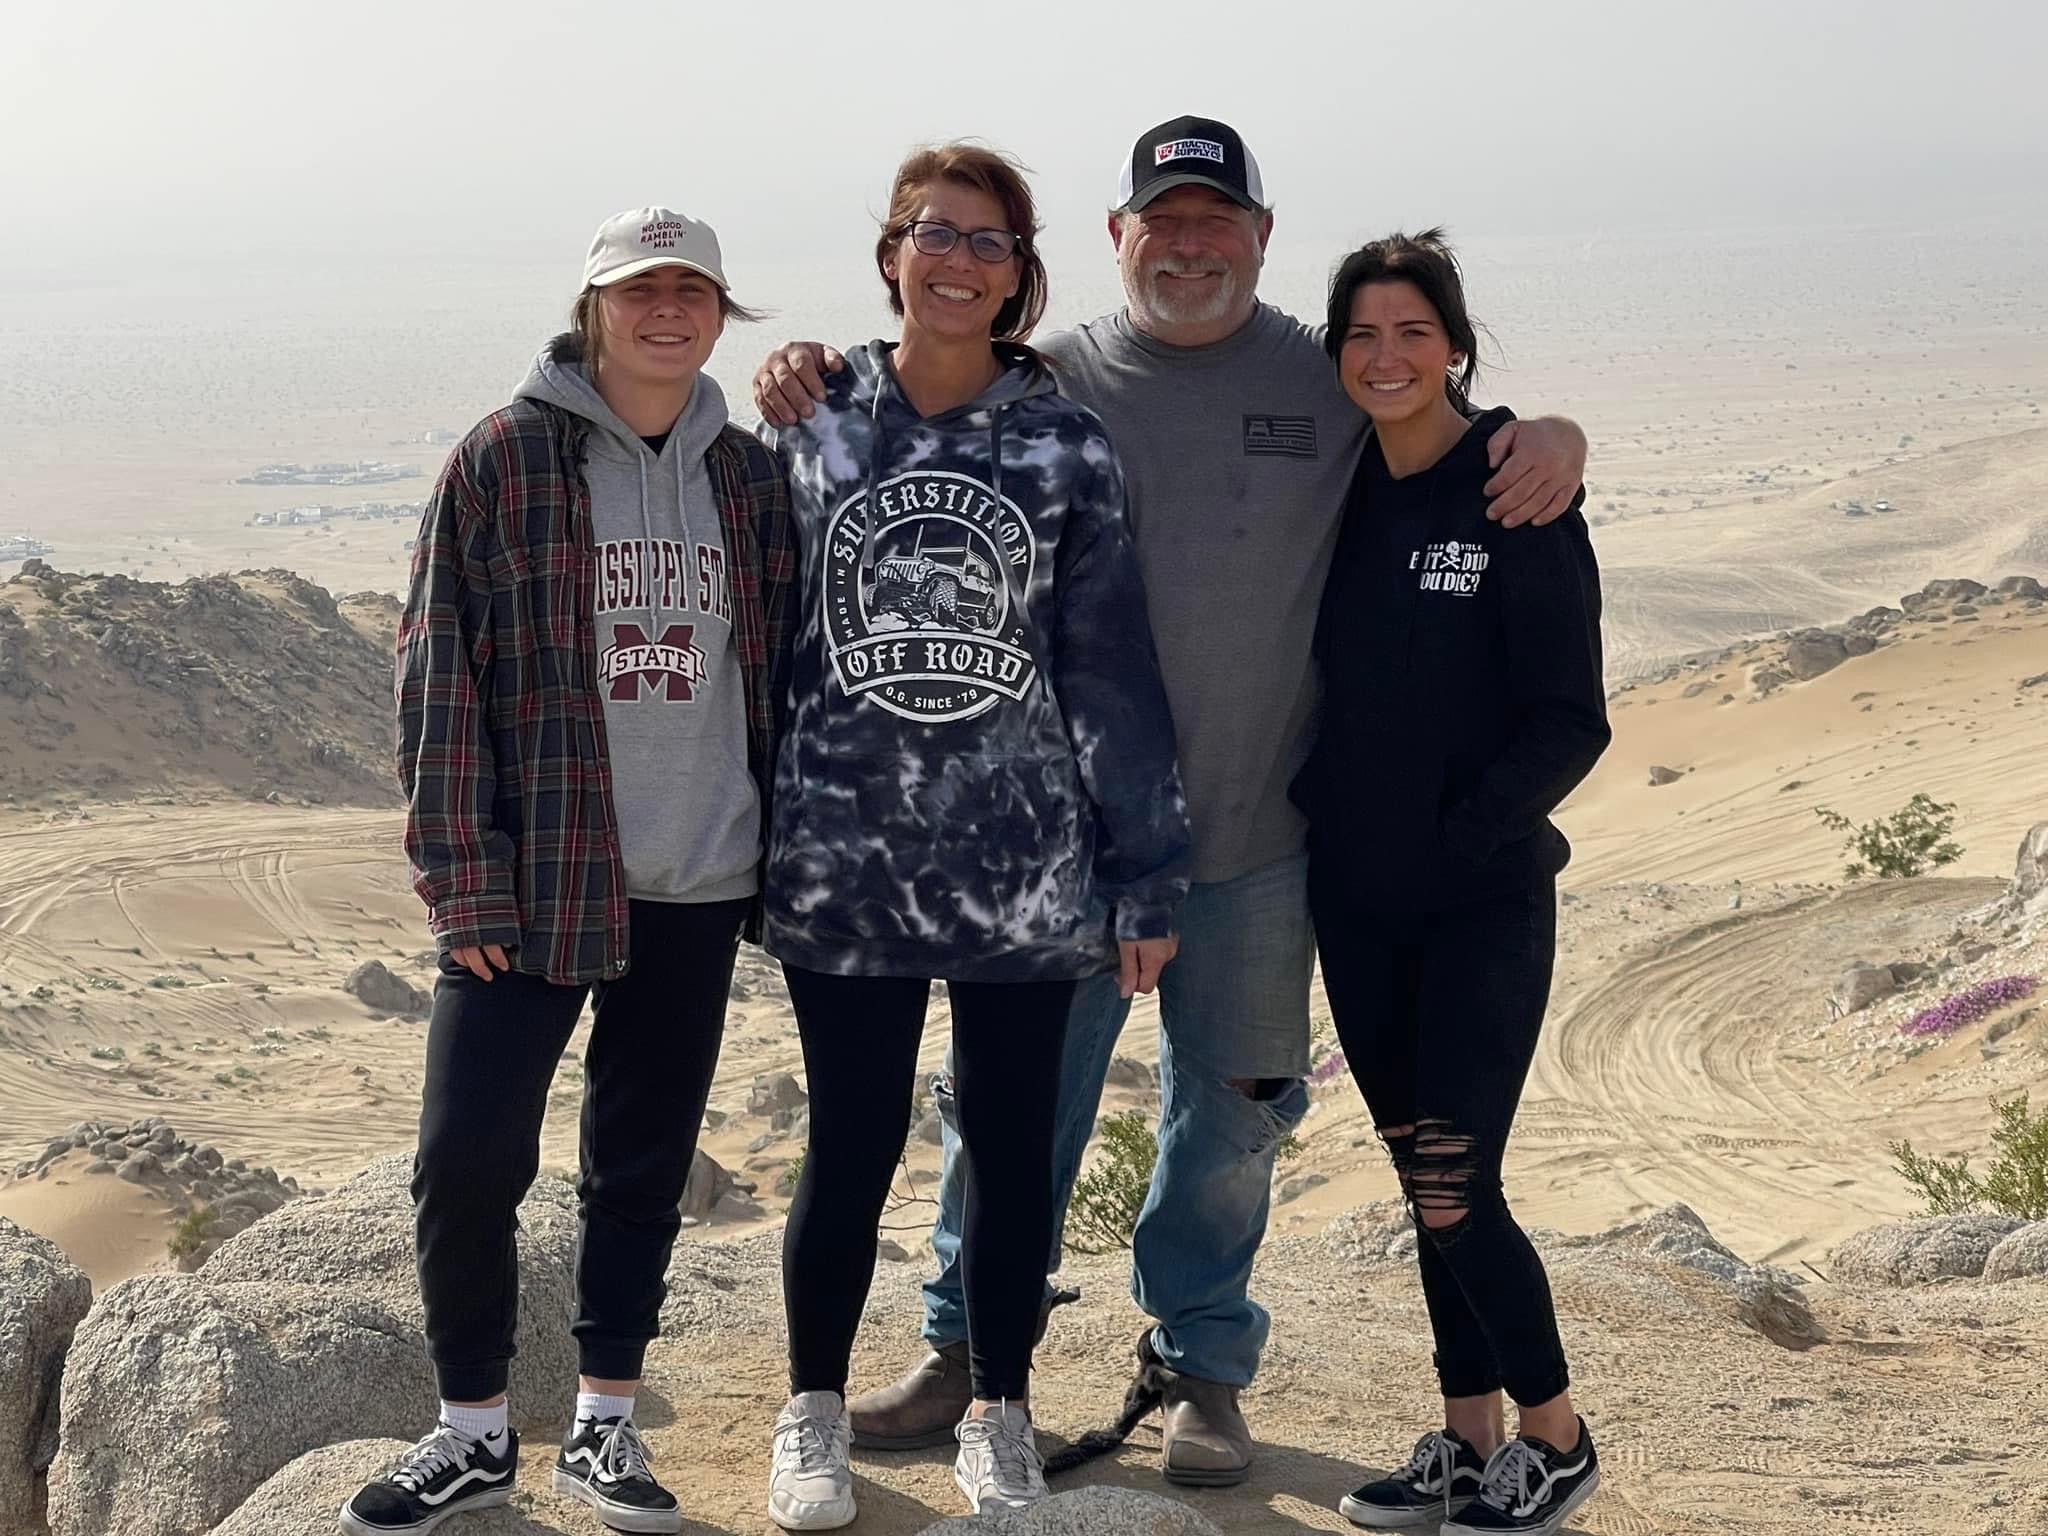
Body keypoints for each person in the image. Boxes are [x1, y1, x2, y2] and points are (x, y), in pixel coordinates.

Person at [754, 115, 1588, 1488]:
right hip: (1066, 849)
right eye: (1164, 219)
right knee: (1011, 1122)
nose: (1190, 244)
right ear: (1115, 237)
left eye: (1217, 220)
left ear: (1262, 236)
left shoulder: (1327, 377)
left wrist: (1553, 433)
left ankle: (1201, 1364)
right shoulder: (1054, 378)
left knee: (1234, 1121)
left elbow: (1440, 420)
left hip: (1263, 843)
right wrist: (802, 366)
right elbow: (911, 387)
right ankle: (969, 1353)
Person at [344, 207, 797, 1536]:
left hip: (698, 876)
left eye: (692, 290)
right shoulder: (503, 460)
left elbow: (784, 674)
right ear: (592, 308)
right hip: (535, 880)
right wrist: (460, 880)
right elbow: (436, 679)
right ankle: (473, 1431)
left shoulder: (750, 479)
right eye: (638, 289)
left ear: (720, 313)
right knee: (465, 1160)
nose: (667, 310)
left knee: (638, 1167)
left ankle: (604, 1424)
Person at [756, 143, 1189, 1530]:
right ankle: (813, 1411)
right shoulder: (813, 420)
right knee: (851, 1144)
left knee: (1011, 1150)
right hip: (844, 866)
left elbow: (1108, 669)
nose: (957, 261)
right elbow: (761, 637)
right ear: (892, 254)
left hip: (1022, 874)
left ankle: (1000, 1413)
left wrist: (1144, 876)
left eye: (988, 242)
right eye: (934, 234)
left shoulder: (1063, 444)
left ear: (1019, 275)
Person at [1296, 229, 1609, 1535]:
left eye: (1412, 332)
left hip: (1481, 902)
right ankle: (1468, 1438)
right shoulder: (1336, 488)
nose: (1387, 356)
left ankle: (1559, 1437)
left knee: (1455, 1182)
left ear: (1457, 347)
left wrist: (1460, 836)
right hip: (1354, 905)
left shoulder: (1515, 484)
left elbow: (1571, 719)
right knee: (1415, 1178)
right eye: (1362, 334)